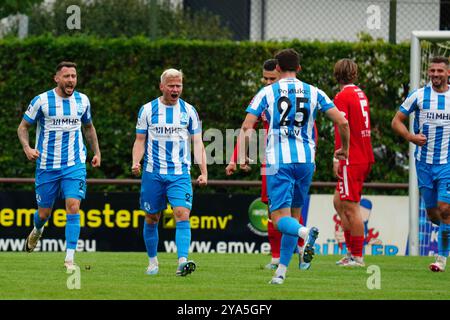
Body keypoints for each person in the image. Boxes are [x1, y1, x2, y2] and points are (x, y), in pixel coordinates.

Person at [238, 48, 350, 284]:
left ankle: (305, 233)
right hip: (306, 162)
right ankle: (281, 273)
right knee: (294, 215)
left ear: (276, 69)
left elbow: (248, 126)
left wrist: (243, 155)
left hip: (279, 161)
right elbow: (342, 121)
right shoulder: (314, 91)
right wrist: (345, 149)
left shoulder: (267, 92)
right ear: (299, 68)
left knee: (280, 219)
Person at [226, 59, 310, 270]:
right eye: (265, 78)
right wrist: (238, 156)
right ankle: (279, 257)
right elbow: (248, 127)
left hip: (294, 159)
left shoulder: (296, 95)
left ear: (281, 74)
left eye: (272, 78)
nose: (267, 82)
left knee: (289, 210)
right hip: (272, 159)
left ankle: (299, 248)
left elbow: (310, 131)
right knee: (273, 207)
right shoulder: (264, 96)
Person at [17, 61, 101, 271]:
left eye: (73, 76)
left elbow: (89, 128)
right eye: (66, 76)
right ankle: (37, 229)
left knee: (73, 205)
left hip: (74, 164)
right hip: (46, 165)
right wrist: (27, 148)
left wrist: (97, 152)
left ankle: (70, 259)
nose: (71, 80)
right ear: (57, 78)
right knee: (44, 213)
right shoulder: (42, 101)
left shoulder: (83, 100)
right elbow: (23, 127)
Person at [132, 68, 207, 277]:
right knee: (152, 218)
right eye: (172, 86)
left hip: (180, 174)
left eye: (179, 85)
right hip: (152, 173)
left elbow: (198, 142)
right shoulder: (147, 109)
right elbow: (140, 141)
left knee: (182, 214)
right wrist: (135, 162)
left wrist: (204, 171)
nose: (176, 89)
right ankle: (153, 262)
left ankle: (182, 261)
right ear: (162, 86)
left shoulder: (189, 111)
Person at [392, 56, 450, 272]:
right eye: (432, 71)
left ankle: (441, 259)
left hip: (447, 163)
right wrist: (410, 136)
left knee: (445, 210)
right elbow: (396, 120)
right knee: (434, 213)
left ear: (448, 73)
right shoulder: (418, 95)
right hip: (423, 164)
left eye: (440, 71)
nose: (435, 74)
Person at [332, 59, 374, 267]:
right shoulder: (359, 93)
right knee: (339, 202)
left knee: (350, 207)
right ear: (354, 74)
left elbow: (343, 125)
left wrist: (340, 154)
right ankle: (351, 253)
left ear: (336, 74)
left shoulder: (342, 96)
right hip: (363, 155)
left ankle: (357, 257)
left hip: (352, 158)